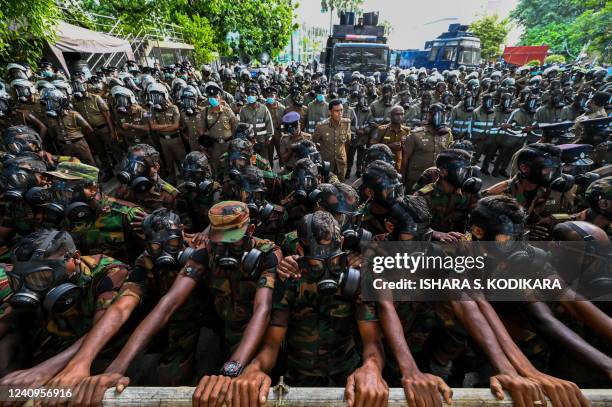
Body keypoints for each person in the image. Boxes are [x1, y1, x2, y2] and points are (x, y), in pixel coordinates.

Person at [231, 211, 389, 407]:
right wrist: (256, 367)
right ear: (299, 249)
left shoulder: (355, 277)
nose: (325, 268)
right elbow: (272, 344)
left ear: (341, 243)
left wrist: (372, 367)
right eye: (316, 260)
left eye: (332, 258)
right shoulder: (289, 279)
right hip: (298, 377)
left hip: (348, 375)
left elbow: (372, 340)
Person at [416, 148, 481, 240]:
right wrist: (436, 234)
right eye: (462, 171)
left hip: (458, 245)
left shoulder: (468, 192)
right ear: (443, 172)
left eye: (468, 171)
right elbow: (412, 225)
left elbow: (479, 216)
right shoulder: (424, 195)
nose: (467, 176)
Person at [72, 76, 116, 180]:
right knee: (101, 152)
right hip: (91, 132)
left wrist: (112, 130)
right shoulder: (76, 102)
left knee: (115, 149)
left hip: (104, 129)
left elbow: (107, 115)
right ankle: (109, 171)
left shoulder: (96, 98)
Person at [402, 103, 453, 193]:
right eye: (438, 115)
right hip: (415, 179)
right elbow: (405, 159)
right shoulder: (415, 134)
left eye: (443, 115)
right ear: (429, 116)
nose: (441, 119)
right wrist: (403, 179)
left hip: (435, 180)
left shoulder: (447, 134)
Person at [113, 143, 178, 212]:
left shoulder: (170, 195)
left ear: (155, 167)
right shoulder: (125, 185)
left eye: (138, 166)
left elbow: (176, 220)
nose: (130, 170)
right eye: (128, 163)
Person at [42, 89, 96, 165]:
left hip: (79, 144)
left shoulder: (73, 114)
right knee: (73, 168)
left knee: (89, 164)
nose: (50, 105)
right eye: (48, 103)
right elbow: (53, 134)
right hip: (65, 147)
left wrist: (81, 139)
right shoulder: (51, 119)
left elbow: (88, 129)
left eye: (53, 102)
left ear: (61, 102)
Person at [146, 82, 184, 183]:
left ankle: (185, 178)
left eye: (158, 96)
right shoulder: (152, 109)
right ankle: (172, 180)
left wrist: (160, 127)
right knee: (168, 161)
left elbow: (176, 126)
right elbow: (153, 127)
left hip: (176, 139)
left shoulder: (173, 108)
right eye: (153, 96)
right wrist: (167, 126)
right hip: (163, 140)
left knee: (181, 160)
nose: (155, 98)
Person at [197, 82, 238, 174]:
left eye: (215, 96)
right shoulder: (204, 112)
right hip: (214, 146)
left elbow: (235, 127)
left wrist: (235, 144)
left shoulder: (227, 111)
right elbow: (201, 131)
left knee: (231, 167)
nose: (213, 99)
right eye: (210, 96)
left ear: (220, 97)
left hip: (228, 144)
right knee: (216, 167)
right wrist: (204, 148)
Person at [313, 100, 351, 182]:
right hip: (327, 164)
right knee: (327, 187)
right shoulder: (321, 126)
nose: (340, 113)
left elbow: (347, 142)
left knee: (341, 185)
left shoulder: (346, 123)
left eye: (341, 110)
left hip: (341, 163)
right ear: (330, 112)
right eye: (336, 111)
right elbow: (314, 141)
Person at [370, 105, 409, 173]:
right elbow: (372, 146)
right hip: (383, 166)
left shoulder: (406, 131)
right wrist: (389, 146)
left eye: (402, 114)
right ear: (391, 115)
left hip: (398, 167)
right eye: (397, 114)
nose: (400, 117)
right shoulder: (382, 129)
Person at [239, 84, 274, 158]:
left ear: (257, 96)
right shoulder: (243, 110)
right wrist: (246, 141)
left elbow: (269, 123)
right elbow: (242, 127)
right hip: (250, 143)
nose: (250, 96)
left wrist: (269, 138)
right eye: (248, 94)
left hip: (263, 141)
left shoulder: (263, 108)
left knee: (264, 162)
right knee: (253, 162)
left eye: (253, 94)